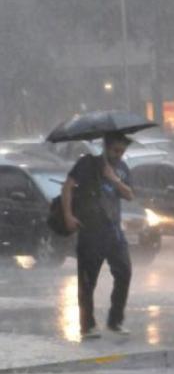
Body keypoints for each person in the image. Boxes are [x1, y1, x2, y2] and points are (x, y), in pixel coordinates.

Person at [62, 132, 134, 339]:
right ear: (106, 147)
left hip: (114, 233)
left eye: (122, 151)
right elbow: (68, 187)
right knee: (87, 281)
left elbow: (129, 194)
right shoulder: (88, 164)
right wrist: (68, 215)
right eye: (115, 150)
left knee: (124, 272)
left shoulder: (121, 168)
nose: (119, 154)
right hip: (90, 232)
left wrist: (114, 179)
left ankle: (115, 320)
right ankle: (87, 325)